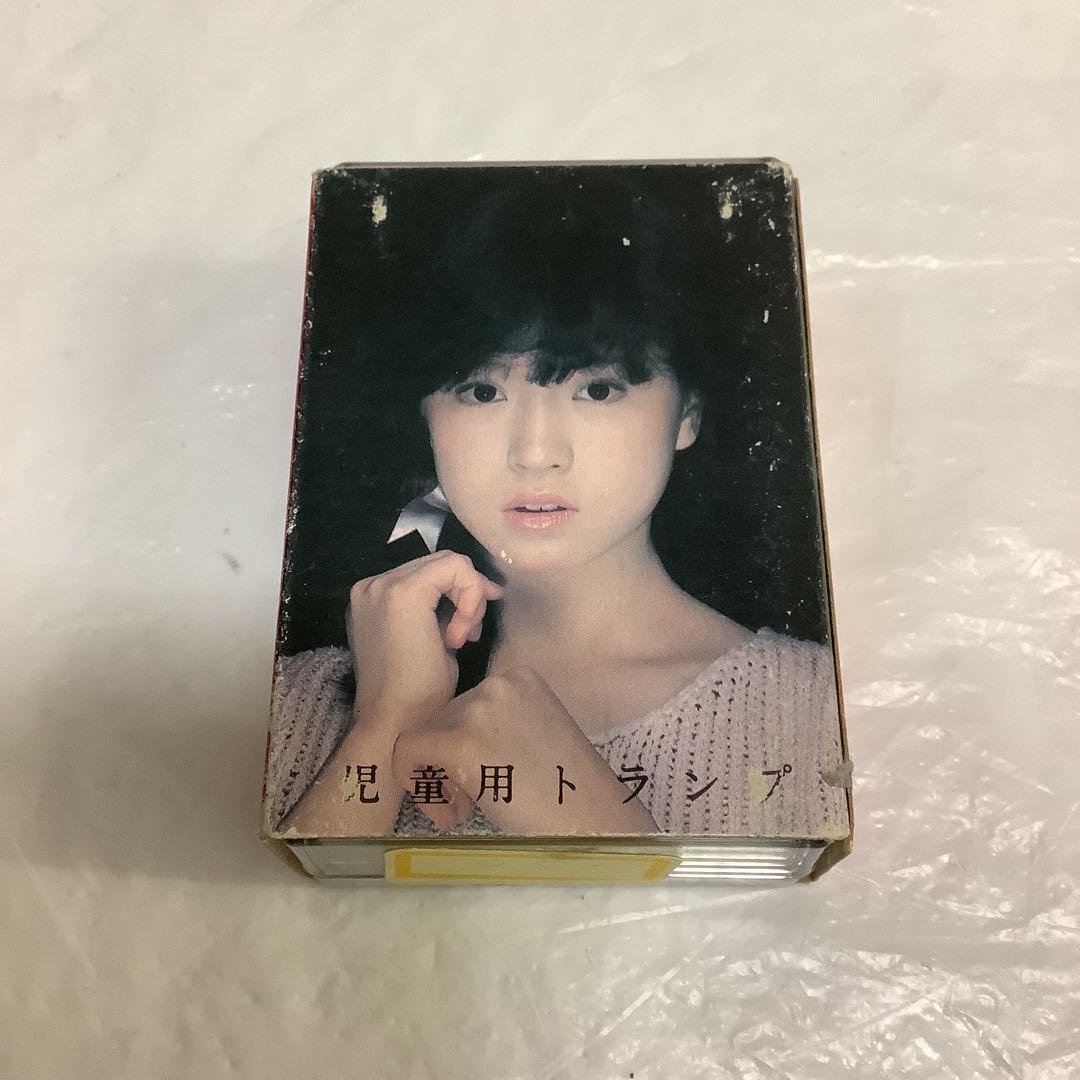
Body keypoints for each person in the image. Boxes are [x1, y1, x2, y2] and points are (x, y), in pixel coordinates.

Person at [264, 167, 848, 841]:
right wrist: (382, 725)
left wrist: (592, 821)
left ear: (687, 415)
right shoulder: (299, 701)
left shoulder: (812, 709)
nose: (536, 453)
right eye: (482, 391)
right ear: (425, 417)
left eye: (597, 389)